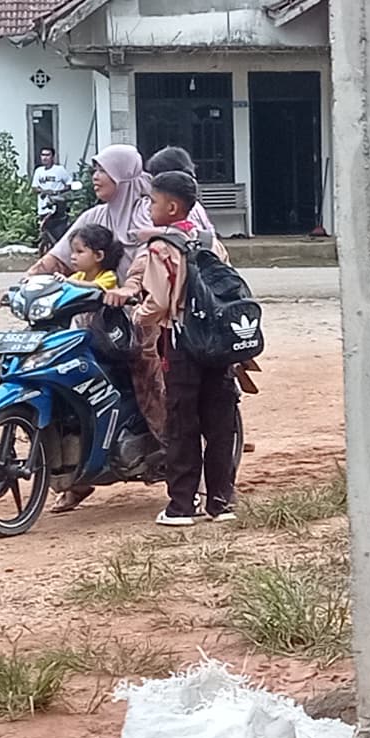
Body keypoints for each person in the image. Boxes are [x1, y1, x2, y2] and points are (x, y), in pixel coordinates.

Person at [130, 172, 240, 525]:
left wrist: (137, 315)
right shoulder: (210, 241)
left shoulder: (161, 247)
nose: (149, 207)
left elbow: (159, 302)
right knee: (220, 424)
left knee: (182, 423)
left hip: (182, 344)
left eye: (153, 201)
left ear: (172, 207)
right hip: (218, 344)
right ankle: (220, 502)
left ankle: (181, 505)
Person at [36, 145, 153, 274]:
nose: (95, 177)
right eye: (95, 170)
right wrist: (30, 277)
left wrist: (132, 282)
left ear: (122, 175)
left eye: (103, 171)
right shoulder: (94, 216)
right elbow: (59, 258)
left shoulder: (149, 214)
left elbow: (150, 254)